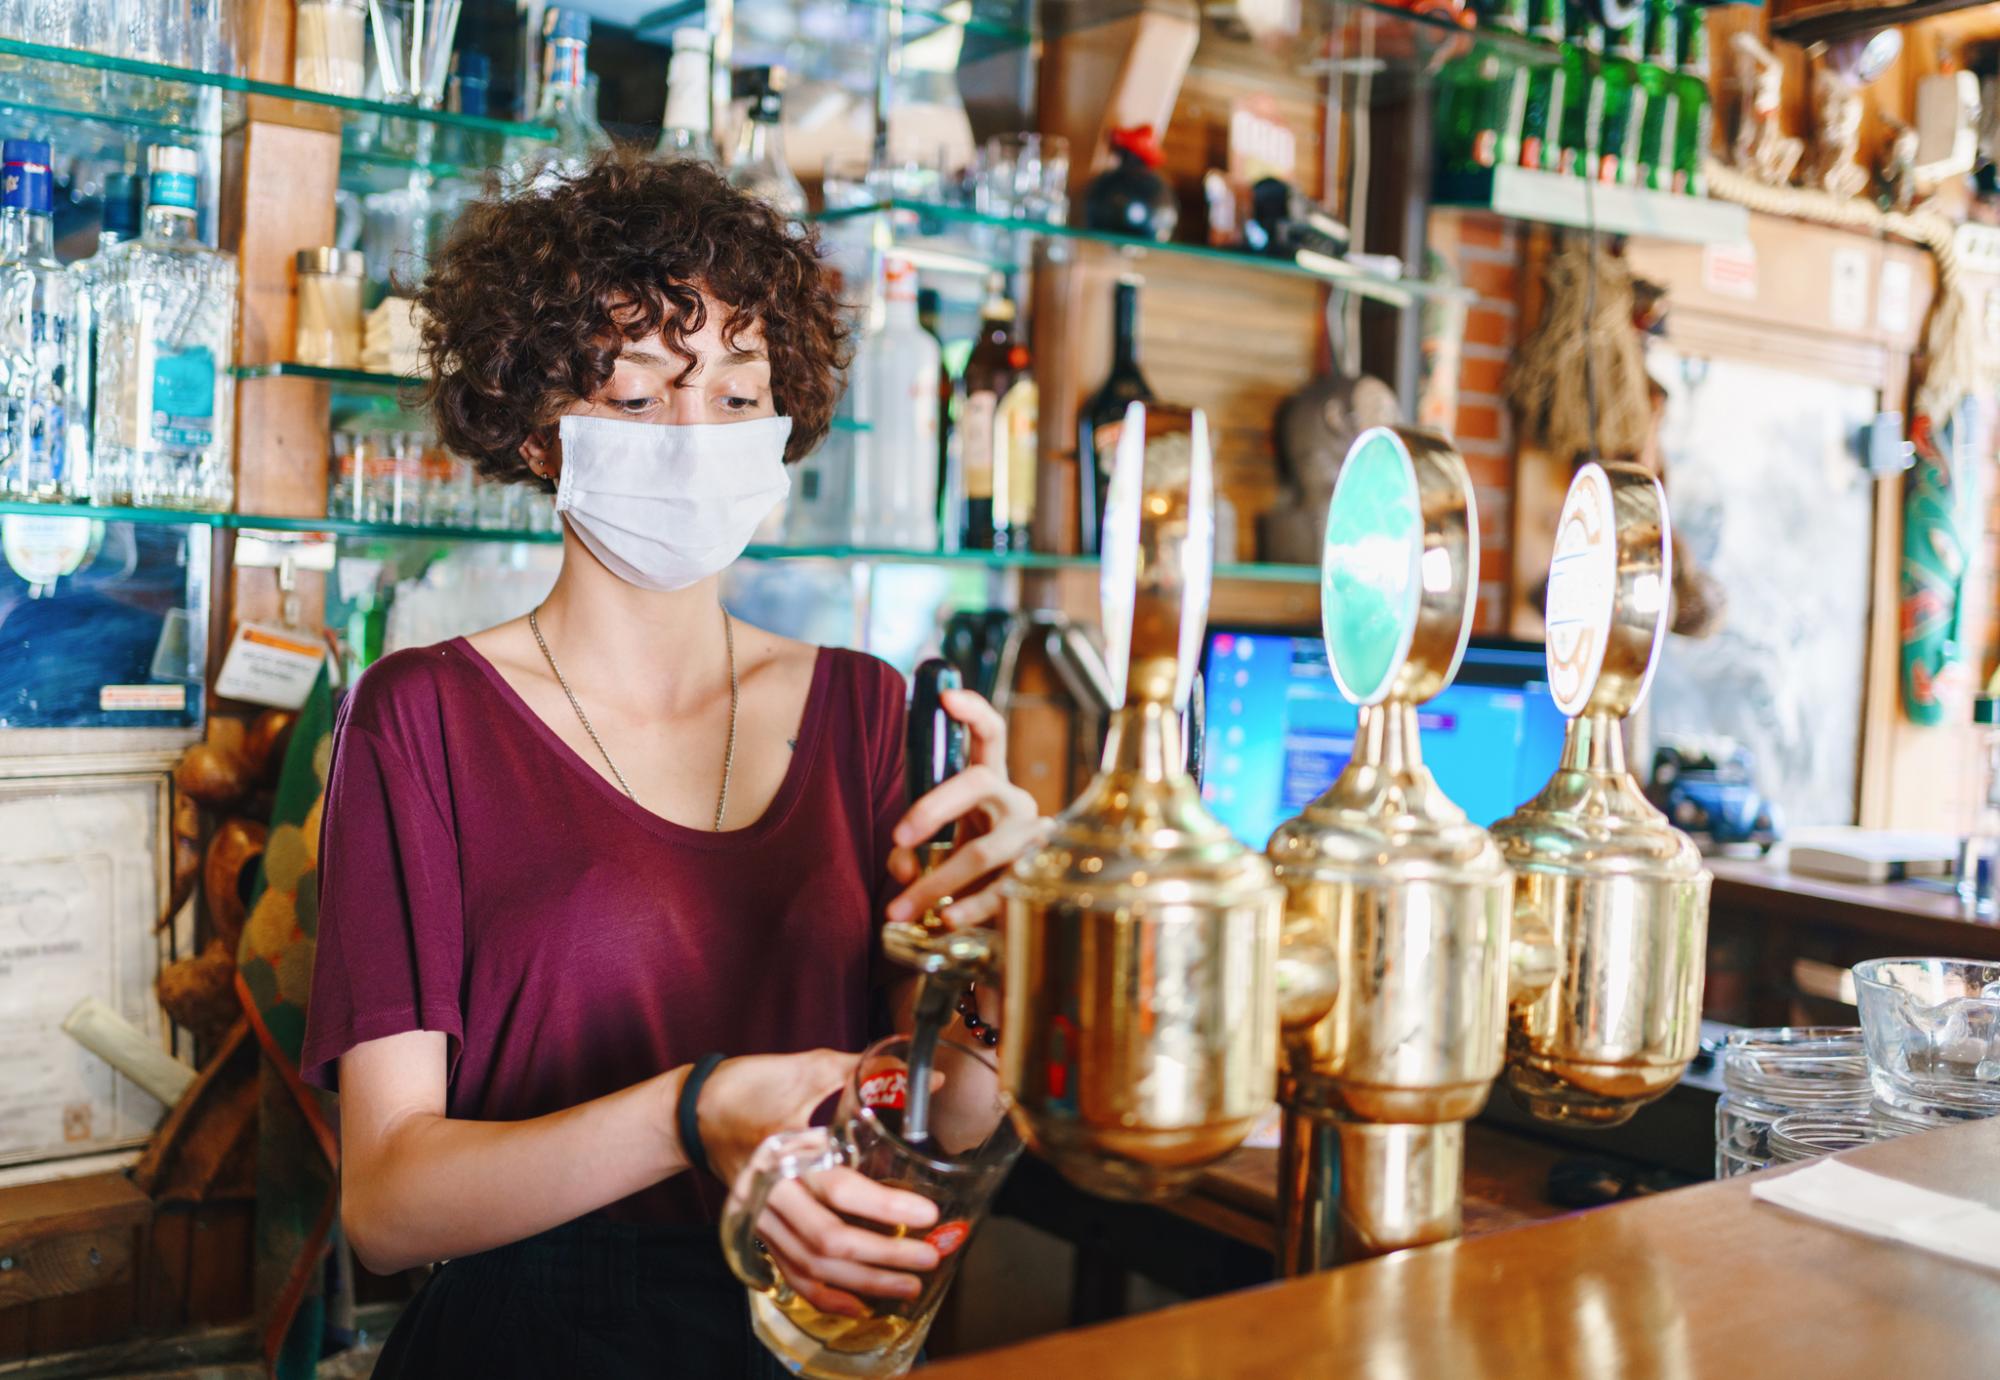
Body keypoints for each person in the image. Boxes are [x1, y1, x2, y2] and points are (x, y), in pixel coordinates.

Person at [299, 152, 1045, 1377]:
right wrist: (689, 1114)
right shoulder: (421, 718)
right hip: (519, 1341)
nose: (697, 441)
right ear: (541, 436)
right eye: (640, 402)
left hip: (790, 1341)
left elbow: (937, 1114)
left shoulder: (865, 713)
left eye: (740, 393)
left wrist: (995, 975)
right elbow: (388, 1208)